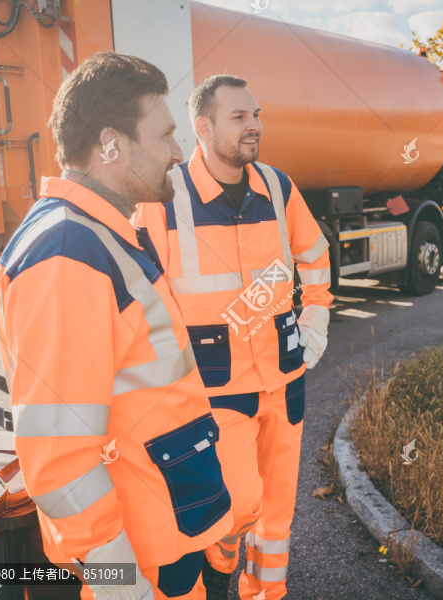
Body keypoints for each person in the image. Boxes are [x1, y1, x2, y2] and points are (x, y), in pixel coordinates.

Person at [0, 52, 233, 600]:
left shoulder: (96, 236)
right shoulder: (66, 253)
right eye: (166, 135)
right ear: (111, 144)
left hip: (169, 535)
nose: (179, 154)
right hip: (144, 563)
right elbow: (58, 455)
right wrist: (120, 582)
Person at [134, 74, 333, 600]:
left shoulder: (277, 186)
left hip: (284, 379)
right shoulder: (165, 196)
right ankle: (221, 572)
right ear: (203, 127)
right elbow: (146, 294)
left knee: (277, 508)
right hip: (217, 388)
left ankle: (265, 593)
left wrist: (314, 323)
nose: (254, 126)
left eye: (256, 115)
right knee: (239, 503)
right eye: (239, 117)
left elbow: (313, 255)